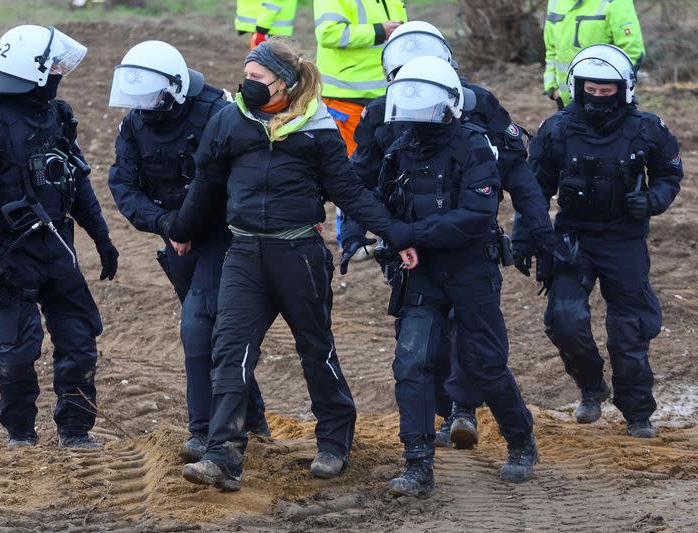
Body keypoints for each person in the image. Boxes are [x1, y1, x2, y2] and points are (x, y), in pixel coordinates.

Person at [169, 39, 414, 491]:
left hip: (298, 253)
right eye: (246, 76)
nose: (248, 85)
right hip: (243, 254)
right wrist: (181, 229)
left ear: (284, 82)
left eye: (258, 78)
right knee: (230, 349)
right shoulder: (229, 121)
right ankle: (223, 455)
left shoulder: (318, 128)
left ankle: (334, 441)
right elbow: (205, 186)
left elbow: (349, 191)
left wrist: (395, 233)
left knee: (315, 349)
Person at [343, 20, 558, 450]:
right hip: (412, 255)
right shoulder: (380, 113)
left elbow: (516, 171)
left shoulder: (478, 108)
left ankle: (467, 411)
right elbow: (361, 180)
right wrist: (355, 234)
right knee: (421, 349)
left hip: (465, 247)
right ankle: (440, 423)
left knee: (477, 346)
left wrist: (540, 231)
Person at [0, 25, 119, 448]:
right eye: (54, 66)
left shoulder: (57, 115)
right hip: (10, 255)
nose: (61, 72)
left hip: (57, 248)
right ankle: (21, 436)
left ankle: (76, 431)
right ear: (34, 71)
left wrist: (101, 237)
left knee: (80, 339)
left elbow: (76, 184)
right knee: (20, 351)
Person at [379, 56, 539, 496]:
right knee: (411, 362)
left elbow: (476, 215)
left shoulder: (475, 146)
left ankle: (521, 442)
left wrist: (406, 233)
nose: (417, 119)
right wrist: (382, 235)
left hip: (471, 268)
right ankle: (417, 464)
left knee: (485, 363)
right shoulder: (398, 149)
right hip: (421, 273)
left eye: (426, 109)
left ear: (449, 105)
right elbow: (379, 199)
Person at [107, 40, 269, 462]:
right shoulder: (135, 124)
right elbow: (123, 185)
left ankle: (203, 432)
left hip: (224, 237)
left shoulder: (220, 113)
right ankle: (252, 419)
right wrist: (165, 225)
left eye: (151, 96)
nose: (143, 105)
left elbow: (242, 181)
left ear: (176, 88)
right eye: (136, 96)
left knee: (198, 327)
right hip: (178, 240)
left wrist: (188, 224)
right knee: (216, 332)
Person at [525, 44, 682, 438]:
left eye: (605, 90)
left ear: (624, 89)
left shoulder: (648, 128)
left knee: (628, 331)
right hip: (572, 238)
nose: (596, 97)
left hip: (624, 241)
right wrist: (526, 239)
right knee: (564, 321)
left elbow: (669, 176)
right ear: (576, 87)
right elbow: (532, 190)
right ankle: (591, 386)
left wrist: (652, 200)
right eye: (589, 89)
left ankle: (637, 412)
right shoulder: (555, 129)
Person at [314, 0, 407, 247]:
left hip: (386, 94)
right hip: (348, 95)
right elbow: (328, 33)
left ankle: (381, 227)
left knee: (385, 165)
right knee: (354, 170)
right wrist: (380, 31)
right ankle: (350, 238)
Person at [543, 0, 644, 107]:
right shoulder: (555, 2)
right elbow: (551, 50)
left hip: (605, 103)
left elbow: (632, 52)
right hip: (565, 102)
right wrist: (551, 88)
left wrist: (610, 92)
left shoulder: (616, 2)